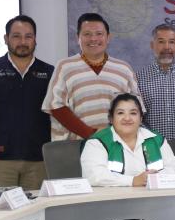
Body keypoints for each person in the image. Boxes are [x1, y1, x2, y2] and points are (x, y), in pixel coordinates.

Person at [0, 15, 54, 191]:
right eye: (16, 36)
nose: (23, 41)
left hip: (38, 160)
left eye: (28, 36)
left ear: (35, 39)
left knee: (36, 213)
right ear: (6, 39)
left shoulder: (51, 72)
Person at [42, 12, 139, 141]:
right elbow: (56, 107)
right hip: (75, 148)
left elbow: (135, 108)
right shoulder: (64, 67)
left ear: (108, 37)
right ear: (78, 37)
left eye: (99, 34)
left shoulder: (124, 69)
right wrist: (90, 133)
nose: (93, 39)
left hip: (116, 144)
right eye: (87, 34)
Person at [80, 94, 175, 187]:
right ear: (111, 118)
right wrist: (133, 180)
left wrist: (153, 178)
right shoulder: (97, 142)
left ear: (141, 118)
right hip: (112, 201)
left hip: (154, 200)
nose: (127, 118)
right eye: (120, 113)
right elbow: (94, 176)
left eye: (133, 113)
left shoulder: (157, 140)